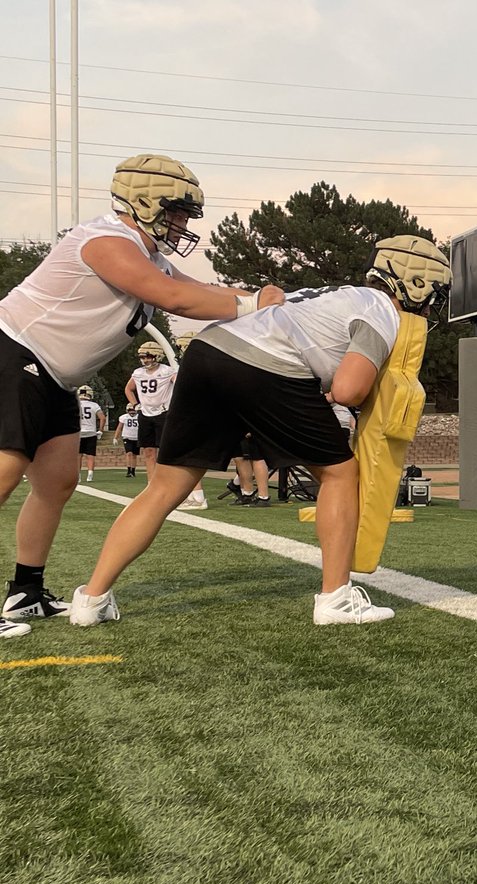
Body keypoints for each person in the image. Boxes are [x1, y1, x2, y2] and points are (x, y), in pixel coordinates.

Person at [69, 234, 451, 628]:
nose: (434, 302)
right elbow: (348, 389)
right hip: (267, 363)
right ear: (416, 281)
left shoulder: (337, 293)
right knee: (340, 472)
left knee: (166, 486)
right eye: (435, 292)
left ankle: (92, 597)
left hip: (208, 350)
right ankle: (336, 598)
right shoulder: (382, 311)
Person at [0, 152, 282, 638]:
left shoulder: (146, 252)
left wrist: (267, 297)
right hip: (15, 352)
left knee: (57, 482)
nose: (180, 222)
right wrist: (255, 302)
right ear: (144, 200)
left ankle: (26, 591)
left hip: (54, 376)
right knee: (3, 475)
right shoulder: (106, 239)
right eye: (175, 210)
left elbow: (202, 289)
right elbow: (173, 297)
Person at [125, 341, 176, 482]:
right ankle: (151, 482)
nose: (145, 360)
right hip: (145, 415)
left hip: (163, 413)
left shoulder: (167, 371)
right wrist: (135, 405)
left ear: (157, 356)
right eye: (143, 357)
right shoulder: (138, 373)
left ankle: (169, 480)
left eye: (148, 356)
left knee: (166, 450)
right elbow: (128, 389)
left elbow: (180, 386)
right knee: (148, 451)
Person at [77, 385, 106, 483]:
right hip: (91, 432)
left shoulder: (75, 404)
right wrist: (101, 430)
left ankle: (78, 476)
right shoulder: (94, 405)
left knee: (78, 455)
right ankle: (90, 475)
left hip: (78, 433)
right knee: (90, 455)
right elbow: (102, 418)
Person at [114, 403, 140, 477]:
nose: (132, 412)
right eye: (130, 410)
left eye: (133, 410)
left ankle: (133, 471)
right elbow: (119, 427)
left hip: (136, 437)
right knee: (129, 453)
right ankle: (129, 471)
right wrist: (115, 437)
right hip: (127, 437)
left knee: (134, 455)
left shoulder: (139, 417)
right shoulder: (123, 417)